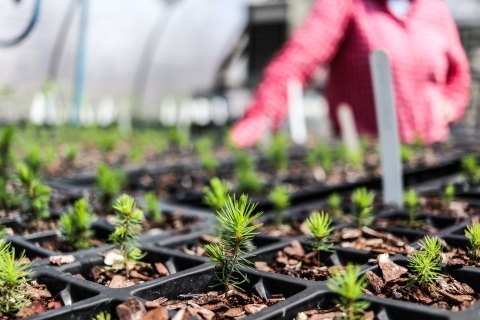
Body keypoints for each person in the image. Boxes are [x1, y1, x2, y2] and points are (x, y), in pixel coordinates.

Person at [230, 0, 471, 148]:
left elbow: (459, 74)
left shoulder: (434, 9)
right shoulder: (348, 4)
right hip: (366, 153)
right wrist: (259, 119)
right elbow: (300, 59)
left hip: (432, 149)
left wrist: (450, 105)